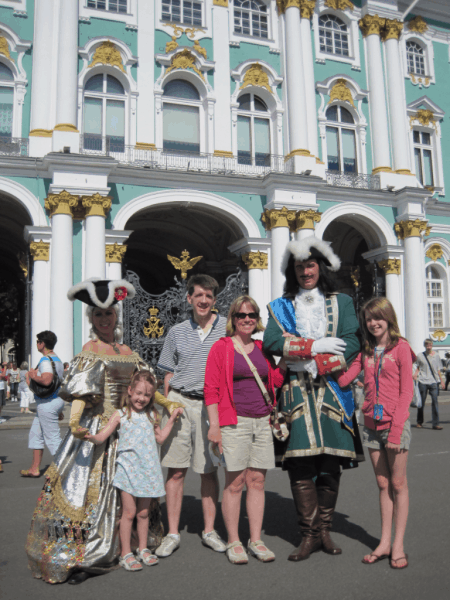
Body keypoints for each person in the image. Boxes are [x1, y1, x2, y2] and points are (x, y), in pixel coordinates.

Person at [26, 278, 182, 585]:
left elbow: (145, 384)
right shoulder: (90, 349)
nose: (104, 319)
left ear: (116, 317)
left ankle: (128, 547)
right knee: (93, 493)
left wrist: (169, 403)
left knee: (129, 492)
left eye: (109, 313)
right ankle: (90, 553)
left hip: (130, 426)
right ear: (91, 320)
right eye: (98, 315)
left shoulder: (127, 349)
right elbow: (82, 394)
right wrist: (74, 424)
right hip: (100, 426)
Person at [263, 238, 363, 562]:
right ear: (292, 271)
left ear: (320, 267)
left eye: (310, 265)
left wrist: (320, 361)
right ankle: (308, 534)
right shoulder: (281, 305)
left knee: (331, 465)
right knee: (301, 465)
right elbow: (272, 342)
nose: (305, 271)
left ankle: (324, 531)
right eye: (299, 267)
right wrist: (312, 348)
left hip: (334, 392)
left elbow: (352, 341)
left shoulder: (342, 302)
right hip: (297, 395)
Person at [204, 295, 287, 564]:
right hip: (234, 422)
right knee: (235, 482)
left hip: (262, 421)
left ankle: (256, 539)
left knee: (258, 481)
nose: (247, 319)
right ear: (233, 319)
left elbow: (274, 378)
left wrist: (288, 352)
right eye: (241, 315)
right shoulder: (222, 347)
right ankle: (234, 540)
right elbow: (211, 389)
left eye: (251, 315)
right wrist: (214, 426)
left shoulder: (263, 348)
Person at [338, 298, 414, 569]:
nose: (373, 323)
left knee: (398, 484)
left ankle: (398, 545)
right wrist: (328, 358)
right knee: (383, 485)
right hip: (370, 424)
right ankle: (383, 542)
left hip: (395, 424)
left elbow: (407, 392)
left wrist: (395, 431)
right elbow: (345, 379)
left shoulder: (401, 348)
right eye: (369, 319)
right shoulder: (366, 351)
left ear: (388, 318)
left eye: (378, 317)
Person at [155, 274, 227, 558]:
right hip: (180, 403)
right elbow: (168, 373)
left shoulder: (226, 328)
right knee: (175, 471)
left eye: (209, 296)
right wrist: (169, 407)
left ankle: (209, 530)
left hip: (210, 407)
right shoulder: (177, 331)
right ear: (189, 298)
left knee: (208, 470)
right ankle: (172, 532)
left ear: (214, 299)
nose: (204, 300)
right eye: (199, 295)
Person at [86, 370, 183, 571]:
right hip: (128, 470)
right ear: (130, 391)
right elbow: (103, 436)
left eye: (147, 395)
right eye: (138, 393)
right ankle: (125, 553)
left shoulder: (152, 415)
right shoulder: (120, 414)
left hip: (148, 471)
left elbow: (161, 438)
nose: (142, 398)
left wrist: (172, 417)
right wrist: (90, 436)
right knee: (129, 513)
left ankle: (142, 548)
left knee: (144, 513)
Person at [20, 332, 65, 477]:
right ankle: (34, 468)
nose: (37, 343)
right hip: (53, 401)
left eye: (38, 341)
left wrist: (32, 375)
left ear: (42, 344)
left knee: (53, 439)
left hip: (47, 403)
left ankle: (67, 470)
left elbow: (46, 380)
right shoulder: (56, 359)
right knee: (36, 435)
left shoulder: (45, 360)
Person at [414, 338, 444, 430]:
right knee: (421, 403)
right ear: (425, 346)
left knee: (435, 402)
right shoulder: (420, 355)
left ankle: (435, 424)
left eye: (430, 345)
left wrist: (441, 381)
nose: (428, 347)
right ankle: (419, 422)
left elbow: (438, 369)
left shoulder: (437, 356)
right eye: (427, 345)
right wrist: (415, 374)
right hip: (423, 381)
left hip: (434, 382)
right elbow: (418, 366)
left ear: (432, 345)